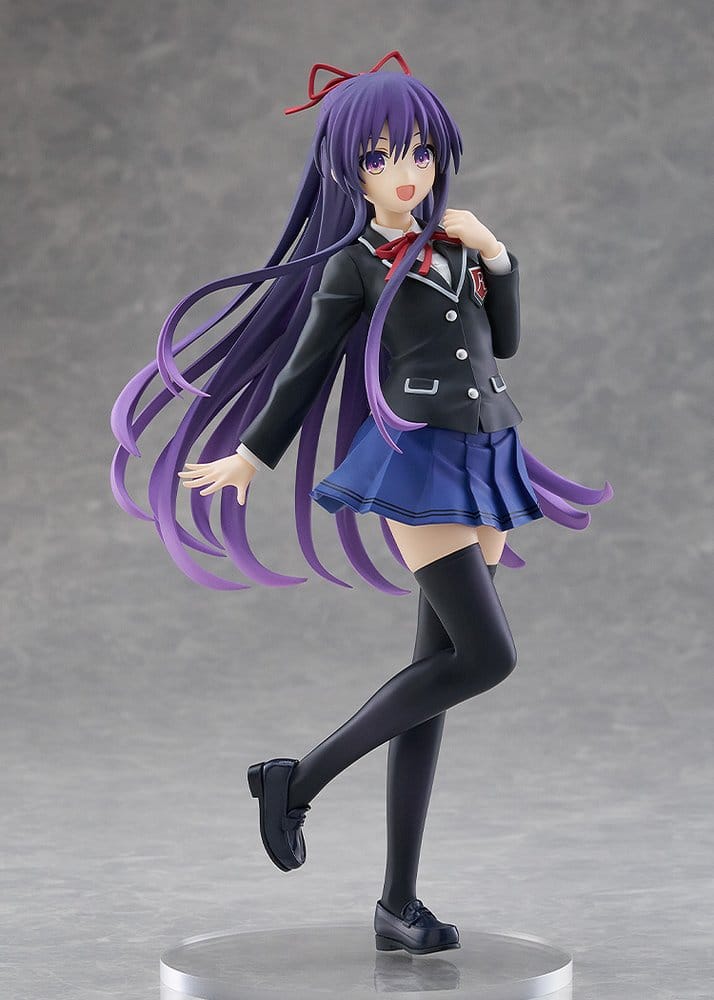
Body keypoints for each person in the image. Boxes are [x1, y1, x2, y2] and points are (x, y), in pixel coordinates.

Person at [110, 51, 612, 956]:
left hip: (487, 452)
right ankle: (297, 779)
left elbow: (504, 342)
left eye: (417, 151)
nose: (403, 172)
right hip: (417, 464)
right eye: (379, 157)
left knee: (436, 681)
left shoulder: (456, 243)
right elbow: (303, 369)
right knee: (486, 656)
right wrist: (252, 456)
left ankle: (397, 904)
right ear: (350, 171)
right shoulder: (352, 265)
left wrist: (499, 255)